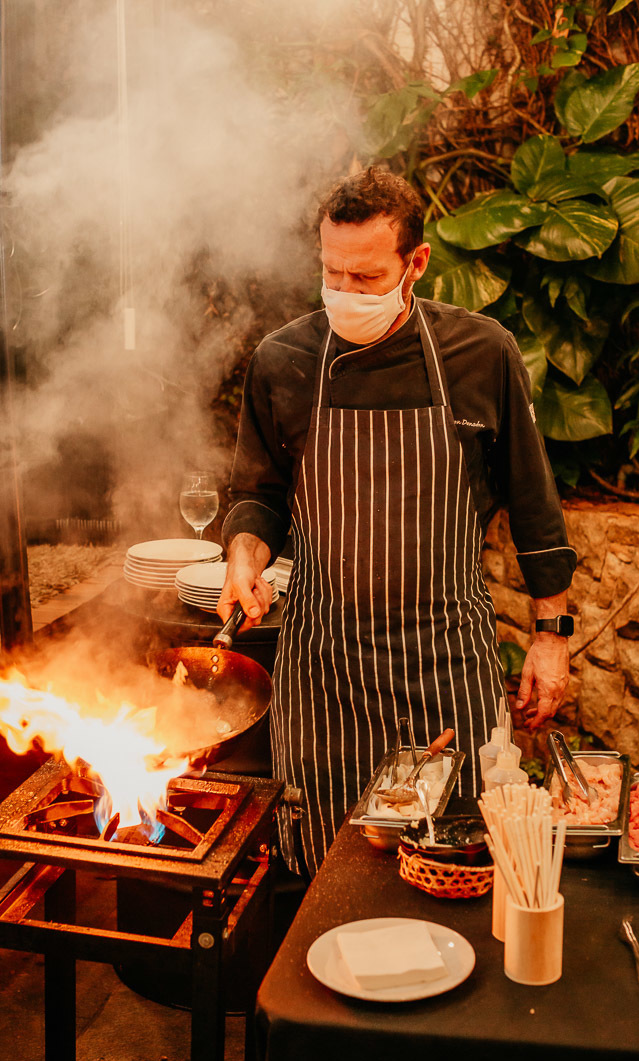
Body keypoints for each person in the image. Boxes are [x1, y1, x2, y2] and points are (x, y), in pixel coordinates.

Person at [218, 167, 576, 877]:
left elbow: (535, 506)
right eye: (332, 273)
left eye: (366, 276)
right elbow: (258, 496)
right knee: (327, 873)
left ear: (416, 264)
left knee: (457, 863)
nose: (345, 293)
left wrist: (551, 637)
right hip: (325, 671)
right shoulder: (284, 359)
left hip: (444, 665)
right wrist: (242, 557)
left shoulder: (481, 353)